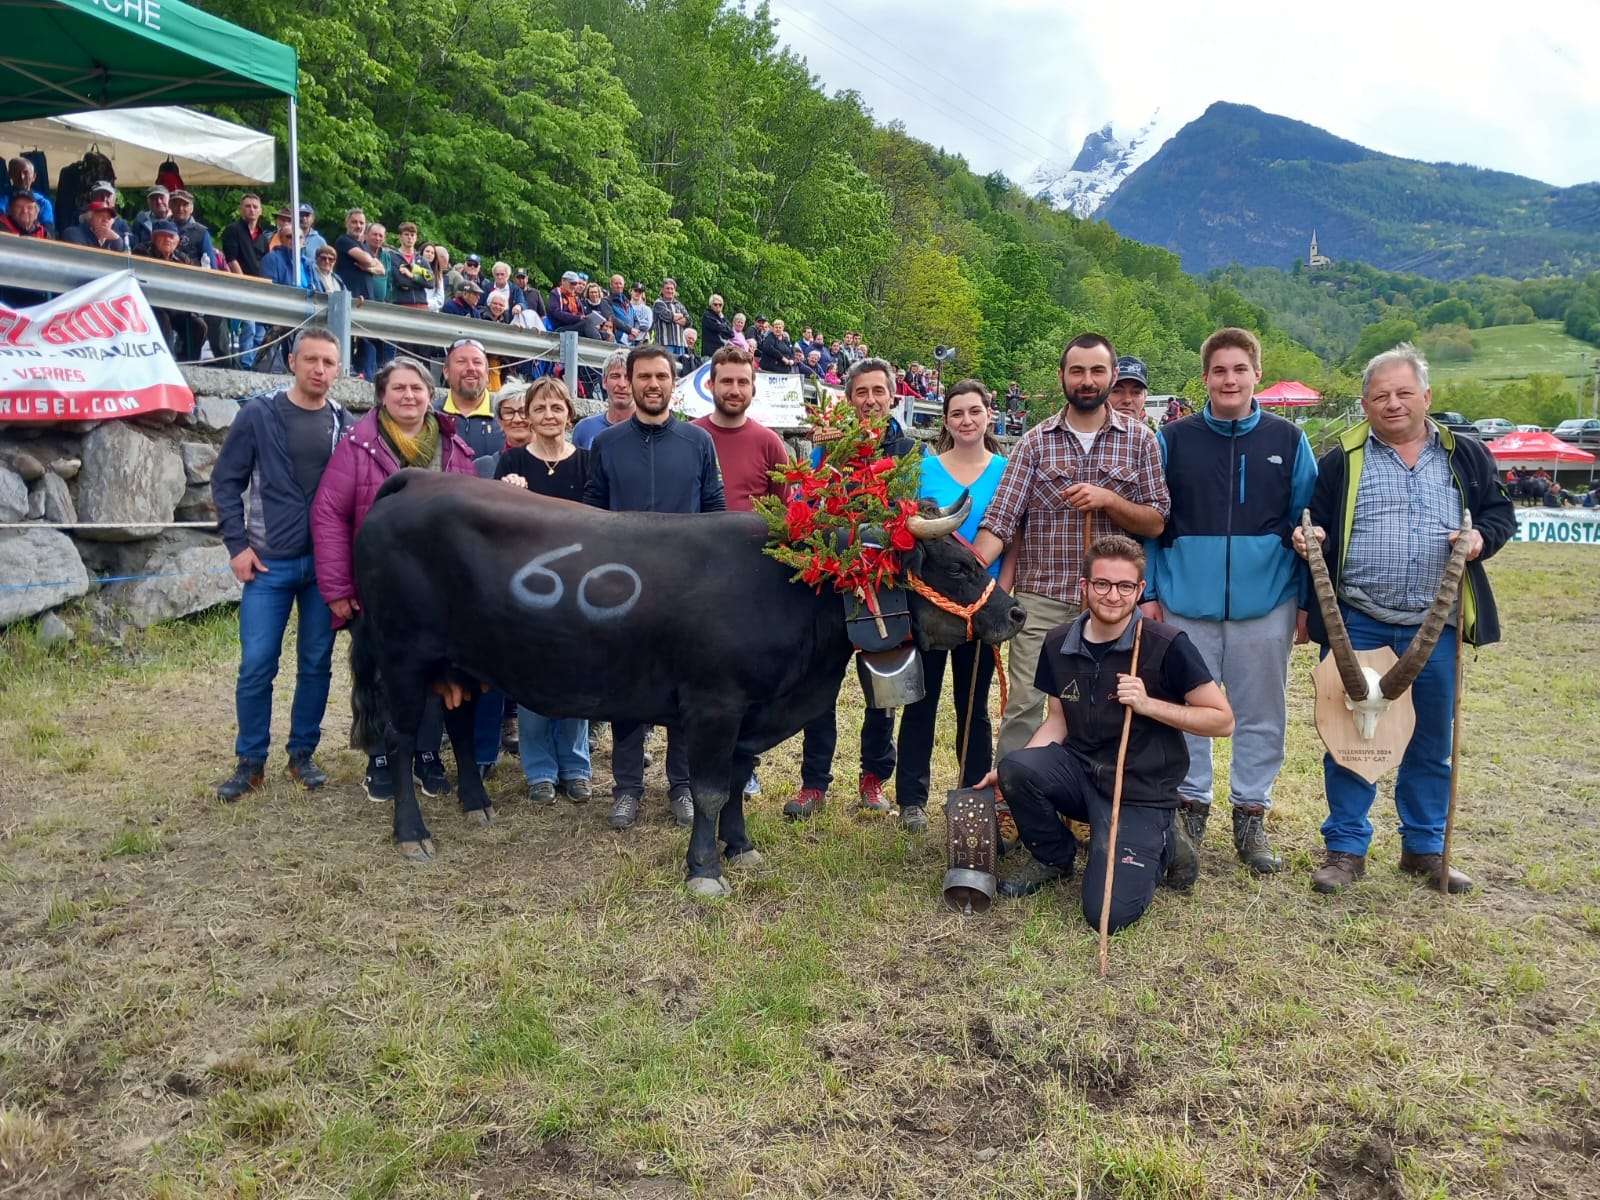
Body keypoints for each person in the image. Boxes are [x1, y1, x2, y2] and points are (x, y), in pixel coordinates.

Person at [1297, 343, 1515, 896]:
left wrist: (1481, 539)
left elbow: (1498, 512)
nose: (1392, 404)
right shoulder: (1343, 459)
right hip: (1359, 619)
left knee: (1428, 737)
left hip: (1433, 625)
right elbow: (1313, 519)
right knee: (1350, 735)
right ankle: (1346, 848)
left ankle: (1424, 845)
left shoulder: (1464, 454)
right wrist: (1309, 537)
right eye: (1380, 396)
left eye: (1403, 393)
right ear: (1365, 403)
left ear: (1426, 396)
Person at [985, 535, 1232, 929]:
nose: (1112, 596)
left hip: (1139, 788)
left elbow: (1222, 720)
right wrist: (1011, 770)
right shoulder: (1057, 643)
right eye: (1102, 584)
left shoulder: (1166, 644)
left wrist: (1150, 705)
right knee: (1017, 766)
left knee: (1107, 915)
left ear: (1140, 589)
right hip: (1082, 773)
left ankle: (1163, 838)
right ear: (1084, 586)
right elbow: (1057, 721)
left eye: (1124, 586)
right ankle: (1052, 857)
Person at [1141, 328, 1317, 874]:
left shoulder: (1289, 442)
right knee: (1191, 709)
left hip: (1267, 601)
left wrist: (1306, 603)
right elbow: (1153, 520)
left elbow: (1310, 527)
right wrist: (1149, 592)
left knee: (1261, 712)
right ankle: (1190, 805)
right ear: (1205, 378)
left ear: (1256, 373)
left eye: (1239, 369)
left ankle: (1251, 811)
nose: (1230, 379)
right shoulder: (1173, 438)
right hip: (1184, 602)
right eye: (1219, 370)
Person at [972, 333, 1170, 764]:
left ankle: (1091, 796)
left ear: (1112, 376)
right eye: (1077, 371)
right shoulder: (1034, 443)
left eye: (1097, 371)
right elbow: (1001, 520)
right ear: (1062, 376)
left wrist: (1110, 501)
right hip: (1042, 597)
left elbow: (1156, 520)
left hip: (1110, 601)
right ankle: (1013, 796)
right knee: (1024, 703)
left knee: (1107, 705)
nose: (1087, 380)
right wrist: (966, 570)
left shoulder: (1141, 441)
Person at [311, 356, 478, 800]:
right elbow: (329, 516)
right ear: (382, 396)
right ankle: (381, 758)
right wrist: (339, 588)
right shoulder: (358, 445)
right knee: (386, 673)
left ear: (430, 394)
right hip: (382, 584)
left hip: (443, 589)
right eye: (399, 388)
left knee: (437, 673)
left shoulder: (455, 449)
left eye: (417, 389)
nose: (409, 396)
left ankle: (426, 755)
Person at [584, 344, 726, 829]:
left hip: (686, 593)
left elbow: (715, 512)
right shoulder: (606, 444)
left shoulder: (697, 442)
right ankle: (627, 787)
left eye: (661, 376)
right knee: (627, 690)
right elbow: (592, 515)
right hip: (622, 590)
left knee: (685, 692)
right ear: (628, 380)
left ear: (673, 381)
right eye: (643, 376)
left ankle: (682, 786)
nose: (652, 384)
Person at [211, 328, 356, 801]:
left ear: (338, 369)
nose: (319, 370)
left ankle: (303, 755)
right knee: (256, 665)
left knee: (315, 664)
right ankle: (250, 761)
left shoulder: (343, 423)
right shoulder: (259, 413)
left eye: (328, 363)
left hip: (324, 568)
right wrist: (237, 545)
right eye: (311, 360)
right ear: (292, 362)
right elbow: (225, 481)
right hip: (269, 566)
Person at [786, 357, 919, 819]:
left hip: (881, 581)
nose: (870, 400)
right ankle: (814, 783)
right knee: (820, 683)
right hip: (829, 579)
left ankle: (872, 779)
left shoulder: (906, 449)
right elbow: (805, 500)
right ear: (849, 399)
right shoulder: (827, 445)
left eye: (878, 391)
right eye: (861, 392)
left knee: (883, 685)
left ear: (892, 396)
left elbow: (912, 509)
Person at [893, 381, 1011, 832]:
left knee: (973, 706)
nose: (966, 420)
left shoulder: (1005, 468)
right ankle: (911, 800)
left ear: (989, 417)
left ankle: (971, 794)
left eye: (974, 411)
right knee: (919, 701)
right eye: (957, 413)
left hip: (981, 607)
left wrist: (1002, 593)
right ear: (945, 421)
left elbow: (1012, 536)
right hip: (931, 607)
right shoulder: (922, 468)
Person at [494, 378, 596, 805]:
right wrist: (507, 495)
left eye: (557, 408)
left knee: (576, 674)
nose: (549, 415)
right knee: (532, 674)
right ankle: (539, 769)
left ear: (569, 413)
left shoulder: (589, 462)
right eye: (540, 409)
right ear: (528, 416)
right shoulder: (512, 463)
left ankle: (575, 766)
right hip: (528, 584)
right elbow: (495, 525)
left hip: (579, 583)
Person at [333, 209, 387, 379]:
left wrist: (368, 267)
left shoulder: (364, 246)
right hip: (350, 299)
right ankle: (347, 374)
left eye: (361, 223)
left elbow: (382, 269)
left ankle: (367, 378)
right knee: (348, 340)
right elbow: (368, 260)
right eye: (355, 222)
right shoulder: (344, 241)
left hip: (367, 300)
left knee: (368, 342)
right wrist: (369, 263)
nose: (358, 226)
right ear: (347, 223)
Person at [222, 193, 272, 370]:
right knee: (249, 326)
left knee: (261, 331)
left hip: (260, 288)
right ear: (241, 209)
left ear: (261, 211)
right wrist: (244, 282)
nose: (252, 209)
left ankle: (255, 364)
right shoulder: (233, 230)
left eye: (255, 206)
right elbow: (231, 258)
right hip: (242, 285)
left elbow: (266, 262)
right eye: (248, 206)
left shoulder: (263, 237)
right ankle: (245, 365)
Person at [436, 337, 500, 461]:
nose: (470, 368)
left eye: (477, 362)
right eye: (461, 361)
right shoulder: (430, 416)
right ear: (446, 372)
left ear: (487, 373)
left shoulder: (508, 415)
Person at [571, 350, 634, 449]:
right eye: (615, 376)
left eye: (628, 378)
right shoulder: (584, 429)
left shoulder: (650, 431)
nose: (622, 384)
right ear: (604, 382)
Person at [60, 198, 126, 251]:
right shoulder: (73, 233)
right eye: (101, 216)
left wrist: (117, 240)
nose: (105, 220)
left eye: (109, 218)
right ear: (90, 219)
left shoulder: (113, 238)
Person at [651, 278, 689, 351]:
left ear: (675, 291)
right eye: (667, 288)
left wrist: (674, 318)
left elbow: (689, 321)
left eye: (672, 289)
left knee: (679, 363)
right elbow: (668, 317)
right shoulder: (658, 303)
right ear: (662, 290)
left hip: (680, 344)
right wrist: (680, 315)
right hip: (664, 344)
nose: (670, 291)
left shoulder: (679, 304)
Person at [1109, 356, 1149, 421]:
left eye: (1136, 392)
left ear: (1145, 398)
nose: (1127, 400)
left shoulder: (1147, 431)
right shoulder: (1088, 430)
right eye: (1117, 391)